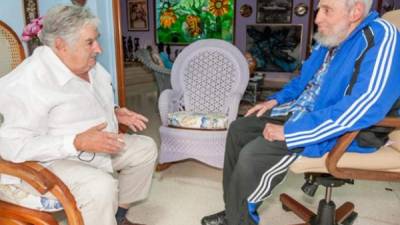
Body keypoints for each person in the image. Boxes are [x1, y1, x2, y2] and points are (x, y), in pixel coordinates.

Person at [201, 0, 400, 225]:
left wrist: (293, 132)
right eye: (318, 10)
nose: (317, 19)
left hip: (348, 128)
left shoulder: (381, 36)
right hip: (304, 111)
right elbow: (304, 80)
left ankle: (239, 220)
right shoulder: (333, 36)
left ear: (355, 12)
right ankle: (234, 211)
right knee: (239, 129)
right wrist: (276, 100)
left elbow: (366, 105)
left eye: (327, 11)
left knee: (253, 154)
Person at [0, 5, 157, 225]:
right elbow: (12, 147)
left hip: (92, 149)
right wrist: (75, 142)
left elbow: (88, 101)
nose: (99, 49)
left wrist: (114, 113)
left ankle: (117, 216)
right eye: (90, 42)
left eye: (97, 40)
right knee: (100, 186)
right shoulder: (26, 83)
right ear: (60, 45)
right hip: (48, 162)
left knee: (145, 149)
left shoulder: (89, 66)